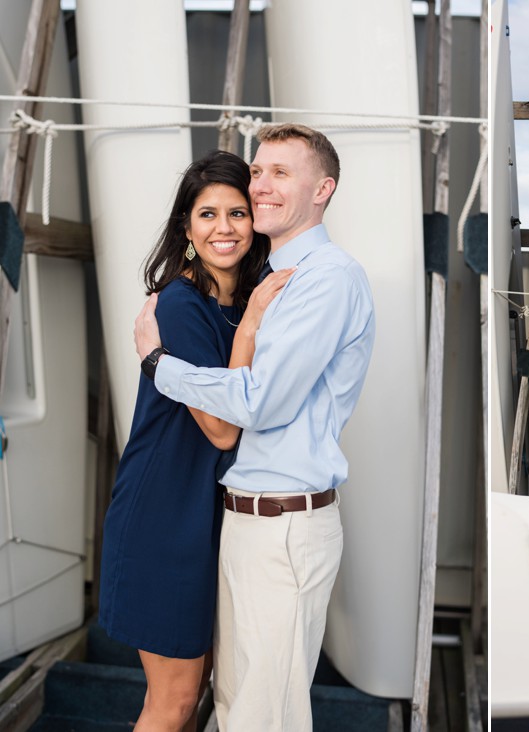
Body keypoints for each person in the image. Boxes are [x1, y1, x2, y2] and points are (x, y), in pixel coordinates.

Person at [134, 123, 376, 732]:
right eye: (259, 171)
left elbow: (258, 402)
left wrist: (160, 365)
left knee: (264, 720)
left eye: (281, 173)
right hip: (244, 523)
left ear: (323, 189)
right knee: (238, 712)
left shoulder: (326, 278)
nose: (262, 185)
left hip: (285, 527)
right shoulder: (266, 284)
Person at [99, 149, 292, 732]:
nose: (224, 229)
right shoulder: (182, 305)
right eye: (207, 215)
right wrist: (255, 319)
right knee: (175, 700)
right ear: (186, 228)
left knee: (200, 690)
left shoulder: (242, 297)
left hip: (207, 515)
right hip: (164, 515)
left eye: (237, 213)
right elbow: (222, 426)